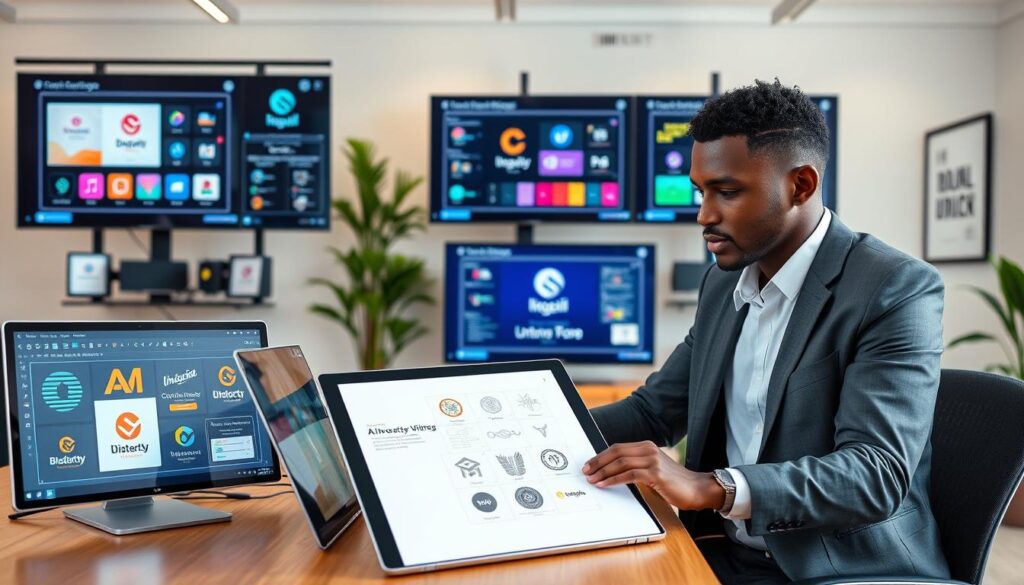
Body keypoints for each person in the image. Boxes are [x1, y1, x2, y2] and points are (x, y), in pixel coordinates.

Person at [585, 79, 949, 583]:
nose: (704, 215)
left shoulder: (894, 287)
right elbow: (655, 411)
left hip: (840, 569)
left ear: (800, 185)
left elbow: (874, 474)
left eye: (727, 192)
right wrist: (532, 427)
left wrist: (712, 487)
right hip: (725, 552)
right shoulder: (723, 282)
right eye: (701, 192)